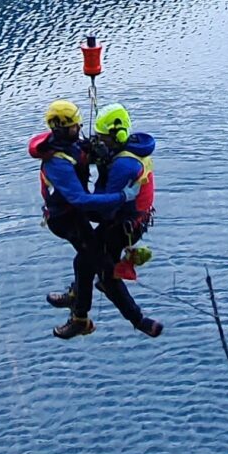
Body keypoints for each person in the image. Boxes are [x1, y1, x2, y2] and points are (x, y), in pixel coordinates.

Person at [65, 103, 162, 339]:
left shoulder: (123, 164)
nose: (100, 142)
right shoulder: (131, 149)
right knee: (89, 262)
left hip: (121, 225)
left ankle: (136, 319)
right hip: (132, 222)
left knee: (96, 268)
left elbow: (106, 207)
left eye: (103, 138)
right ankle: (78, 298)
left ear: (116, 136)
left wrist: (80, 203)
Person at [28, 100, 121, 329]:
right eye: (74, 126)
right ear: (61, 128)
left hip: (73, 215)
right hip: (66, 219)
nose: (79, 129)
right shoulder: (56, 161)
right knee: (98, 263)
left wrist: (96, 151)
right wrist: (122, 197)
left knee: (85, 259)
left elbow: (81, 153)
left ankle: (77, 300)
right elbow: (79, 198)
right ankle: (85, 317)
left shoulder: (67, 146)